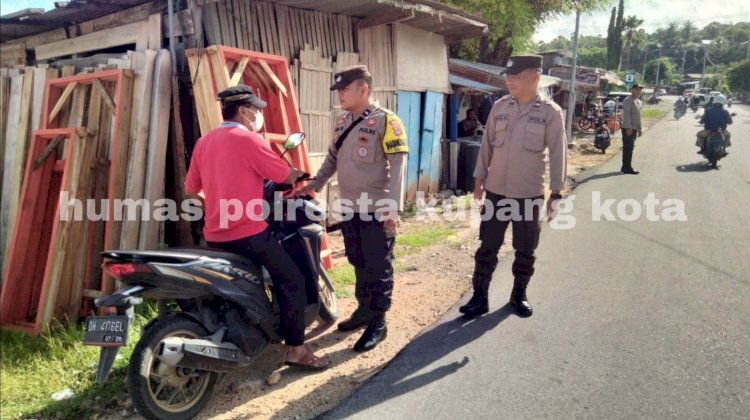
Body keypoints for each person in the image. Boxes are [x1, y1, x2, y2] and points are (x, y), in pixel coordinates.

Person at [185, 85, 329, 370]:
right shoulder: (249, 140)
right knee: (291, 280)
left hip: (214, 236)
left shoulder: (205, 142)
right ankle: (297, 351)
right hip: (249, 234)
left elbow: (191, 190)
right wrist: (297, 174)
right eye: (256, 110)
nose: (259, 114)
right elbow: (282, 174)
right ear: (242, 110)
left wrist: (213, 210)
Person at [294, 65, 408, 352]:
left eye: (344, 89)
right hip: (350, 208)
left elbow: (398, 166)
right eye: (339, 90)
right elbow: (332, 157)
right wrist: (315, 184)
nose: (340, 95)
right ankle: (363, 310)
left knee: (378, 266)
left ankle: (378, 322)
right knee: (358, 260)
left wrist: (392, 208)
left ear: (364, 89)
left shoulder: (387, 121)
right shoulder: (343, 121)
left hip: (377, 208)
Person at [459, 55, 567, 319]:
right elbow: (486, 146)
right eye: (508, 75)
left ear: (535, 77)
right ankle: (479, 298)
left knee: (525, 249)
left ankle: (519, 295)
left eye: (516, 76)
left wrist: (556, 192)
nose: (509, 80)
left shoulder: (550, 113)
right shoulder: (500, 107)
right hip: (496, 191)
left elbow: (558, 153)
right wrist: (478, 180)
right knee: (487, 247)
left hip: (528, 194)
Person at [620, 84, 643, 174]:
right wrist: (628, 127)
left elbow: (638, 117)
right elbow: (626, 115)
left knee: (630, 148)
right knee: (628, 148)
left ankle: (626, 167)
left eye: (640, 90)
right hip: (628, 128)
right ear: (632, 90)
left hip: (634, 128)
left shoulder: (638, 101)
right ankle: (627, 167)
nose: (639, 91)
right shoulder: (628, 100)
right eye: (637, 89)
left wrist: (639, 128)